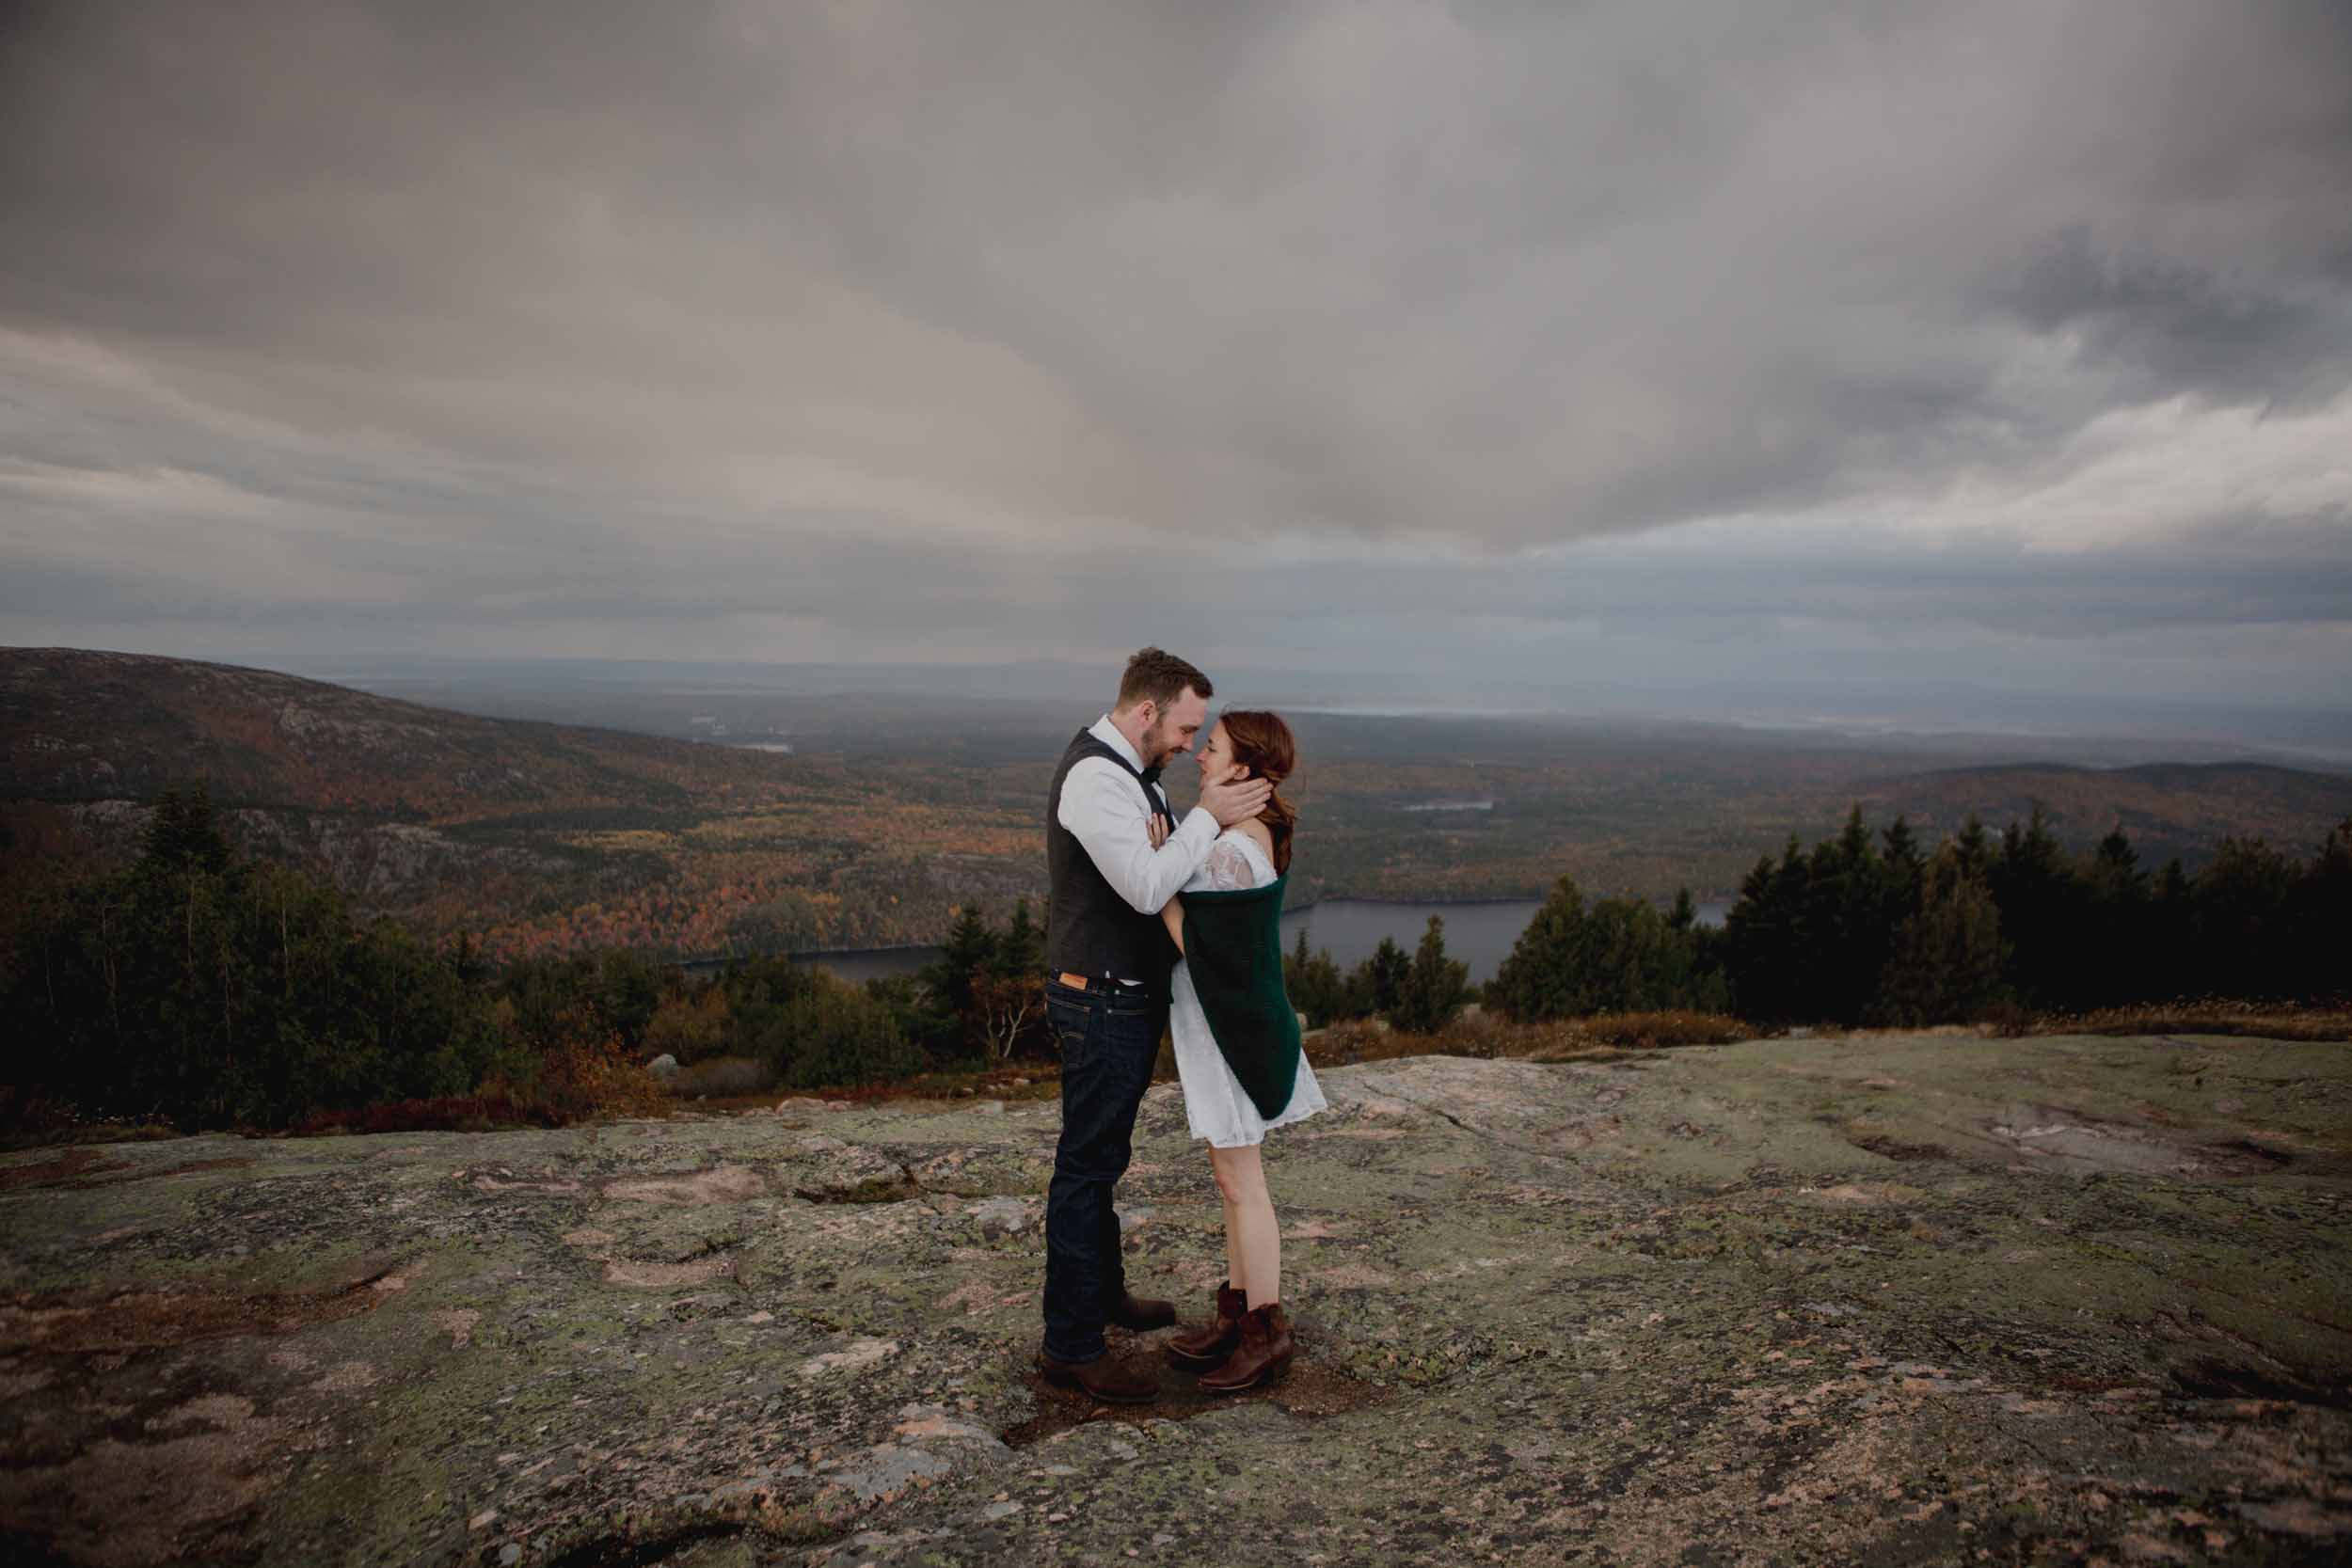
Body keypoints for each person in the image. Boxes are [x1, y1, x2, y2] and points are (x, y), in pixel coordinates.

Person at [1037, 648, 1273, 1403]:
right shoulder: (1094, 779)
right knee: (1086, 1166)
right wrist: (1207, 816)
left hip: (1123, 996)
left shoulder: (1134, 776)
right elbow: (1144, 887)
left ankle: (1101, 1297)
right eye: (1183, 727)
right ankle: (1070, 1345)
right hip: (1098, 995)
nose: (1187, 744)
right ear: (1146, 712)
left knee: (1103, 1158)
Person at [1153, 710, 1323, 1390]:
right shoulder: (1242, 833)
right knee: (1231, 1181)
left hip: (1234, 1034)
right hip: (1229, 1026)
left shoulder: (1231, 852)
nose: (1200, 755)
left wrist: (1160, 869)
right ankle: (1236, 1311)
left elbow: (1193, 936)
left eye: (1213, 747)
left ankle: (1265, 1331)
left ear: (1244, 769)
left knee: (1244, 1184)